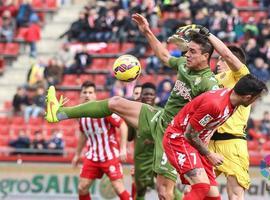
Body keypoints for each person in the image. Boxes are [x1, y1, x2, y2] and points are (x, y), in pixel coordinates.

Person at [45, 14, 219, 200]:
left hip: (174, 134)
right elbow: (164, 55)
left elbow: (215, 115)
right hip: (159, 118)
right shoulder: (185, 66)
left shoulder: (209, 84)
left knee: (164, 192)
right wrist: (147, 31)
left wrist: (201, 144)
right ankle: (58, 113)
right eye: (188, 50)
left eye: (192, 51)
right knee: (115, 102)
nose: (187, 54)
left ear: (205, 56)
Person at [163, 74, 268, 200]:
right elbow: (189, 133)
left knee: (213, 196)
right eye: (255, 99)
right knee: (201, 187)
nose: (254, 102)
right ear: (247, 97)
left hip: (195, 144)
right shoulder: (215, 105)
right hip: (178, 139)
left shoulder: (232, 101)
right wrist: (209, 154)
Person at [71, 81, 131, 200]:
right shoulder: (80, 114)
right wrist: (77, 154)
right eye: (85, 92)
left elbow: (123, 125)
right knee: (82, 188)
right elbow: (83, 133)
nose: (87, 95)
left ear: (95, 95)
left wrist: (123, 148)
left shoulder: (104, 110)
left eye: (90, 92)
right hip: (92, 156)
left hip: (110, 156)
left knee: (118, 187)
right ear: (80, 95)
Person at [208, 45, 251, 200]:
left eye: (222, 60)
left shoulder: (241, 77)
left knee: (235, 196)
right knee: (195, 190)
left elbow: (227, 54)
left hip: (232, 141)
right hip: (209, 144)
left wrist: (209, 36)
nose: (218, 64)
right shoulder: (212, 80)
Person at [128, 82, 158, 199]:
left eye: (151, 94)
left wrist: (152, 140)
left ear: (155, 96)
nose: (149, 97)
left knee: (167, 192)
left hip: (158, 159)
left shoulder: (162, 112)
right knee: (140, 191)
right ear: (141, 96)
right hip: (142, 161)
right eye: (146, 94)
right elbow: (130, 137)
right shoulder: (134, 115)